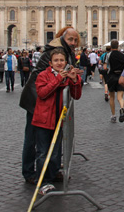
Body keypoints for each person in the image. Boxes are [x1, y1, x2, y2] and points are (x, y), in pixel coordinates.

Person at [20, 26, 83, 185]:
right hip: (37, 102)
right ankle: (29, 172)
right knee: (33, 139)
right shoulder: (54, 52)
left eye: (76, 40)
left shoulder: (65, 52)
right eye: (70, 39)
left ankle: (51, 170)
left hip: (52, 103)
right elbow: (43, 76)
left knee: (53, 139)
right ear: (63, 37)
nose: (73, 42)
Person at [33, 48, 82, 195]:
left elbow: (76, 95)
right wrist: (58, 79)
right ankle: (42, 182)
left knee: (55, 152)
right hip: (43, 119)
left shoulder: (67, 76)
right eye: (56, 60)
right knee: (42, 152)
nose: (59, 63)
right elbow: (42, 93)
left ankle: (53, 174)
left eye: (62, 60)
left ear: (66, 62)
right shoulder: (42, 75)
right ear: (50, 63)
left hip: (59, 119)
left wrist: (74, 80)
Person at [105, 40, 124, 123]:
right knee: (120, 97)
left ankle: (113, 115)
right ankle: (121, 108)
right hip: (121, 77)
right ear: (118, 46)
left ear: (111, 46)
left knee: (112, 97)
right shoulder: (123, 55)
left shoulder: (108, 55)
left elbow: (106, 66)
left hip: (112, 76)